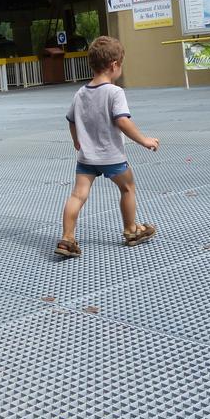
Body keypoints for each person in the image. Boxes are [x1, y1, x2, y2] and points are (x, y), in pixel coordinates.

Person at [55, 36, 159, 258]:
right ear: (114, 65)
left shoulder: (80, 93)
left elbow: (71, 120)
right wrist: (144, 140)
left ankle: (67, 238)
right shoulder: (115, 92)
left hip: (87, 158)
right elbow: (122, 121)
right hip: (112, 156)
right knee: (127, 188)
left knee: (78, 195)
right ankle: (131, 230)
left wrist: (76, 141)